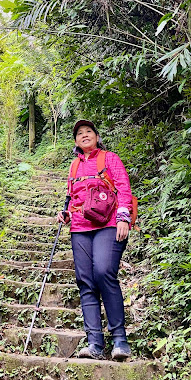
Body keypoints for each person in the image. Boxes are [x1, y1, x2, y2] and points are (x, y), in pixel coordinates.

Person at [57, 120, 133, 361]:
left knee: (103, 272)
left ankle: (119, 339)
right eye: (79, 133)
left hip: (109, 223)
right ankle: (94, 343)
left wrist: (124, 217)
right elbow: (72, 196)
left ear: (97, 137)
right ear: (76, 141)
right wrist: (65, 213)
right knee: (86, 281)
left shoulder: (109, 159)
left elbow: (123, 188)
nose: (84, 135)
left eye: (88, 131)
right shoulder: (74, 166)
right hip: (80, 226)